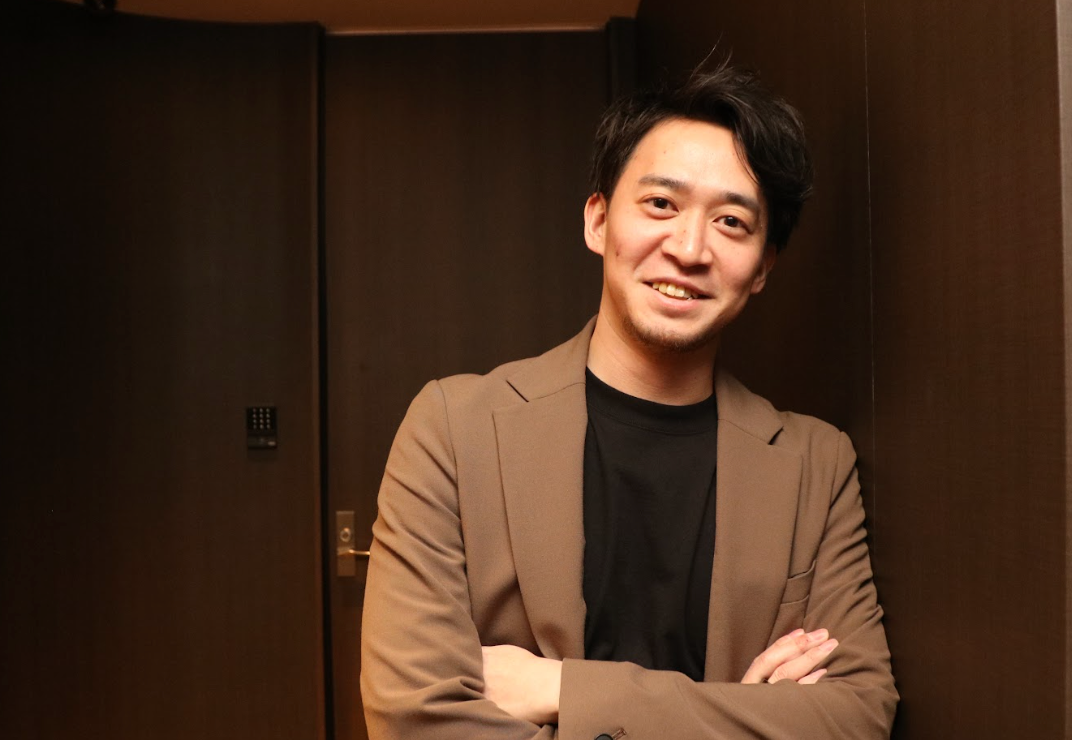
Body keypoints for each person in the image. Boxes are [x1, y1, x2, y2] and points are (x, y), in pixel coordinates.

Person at [360, 63, 897, 739]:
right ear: (598, 220)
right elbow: (413, 720)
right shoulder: (454, 427)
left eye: (732, 222)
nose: (690, 248)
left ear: (762, 267)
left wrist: (562, 689)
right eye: (661, 205)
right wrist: (739, 711)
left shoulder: (816, 464)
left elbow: (856, 717)